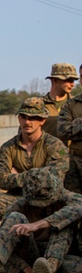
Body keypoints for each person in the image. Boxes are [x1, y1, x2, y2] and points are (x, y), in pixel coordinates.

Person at [0, 97, 69, 242]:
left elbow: (54, 180)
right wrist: (36, 176)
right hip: (17, 198)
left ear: (42, 121)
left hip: (47, 200)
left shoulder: (55, 146)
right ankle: (6, 247)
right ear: (19, 119)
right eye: (24, 117)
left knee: (72, 210)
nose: (28, 122)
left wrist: (20, 176)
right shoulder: (8, 148)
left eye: (33, 118)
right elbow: (2, 180)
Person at [56, 65, 82, 194]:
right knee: (74, 205)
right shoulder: (72, 105)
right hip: (75, 162)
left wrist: (76, 125)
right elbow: (63, 131)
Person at [40, 62, 77, 136]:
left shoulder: (76, 104)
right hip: (46, 147)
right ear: (55, 80)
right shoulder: (38, 105)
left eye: (73, 81)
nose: (72, 84)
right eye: (68, 80)